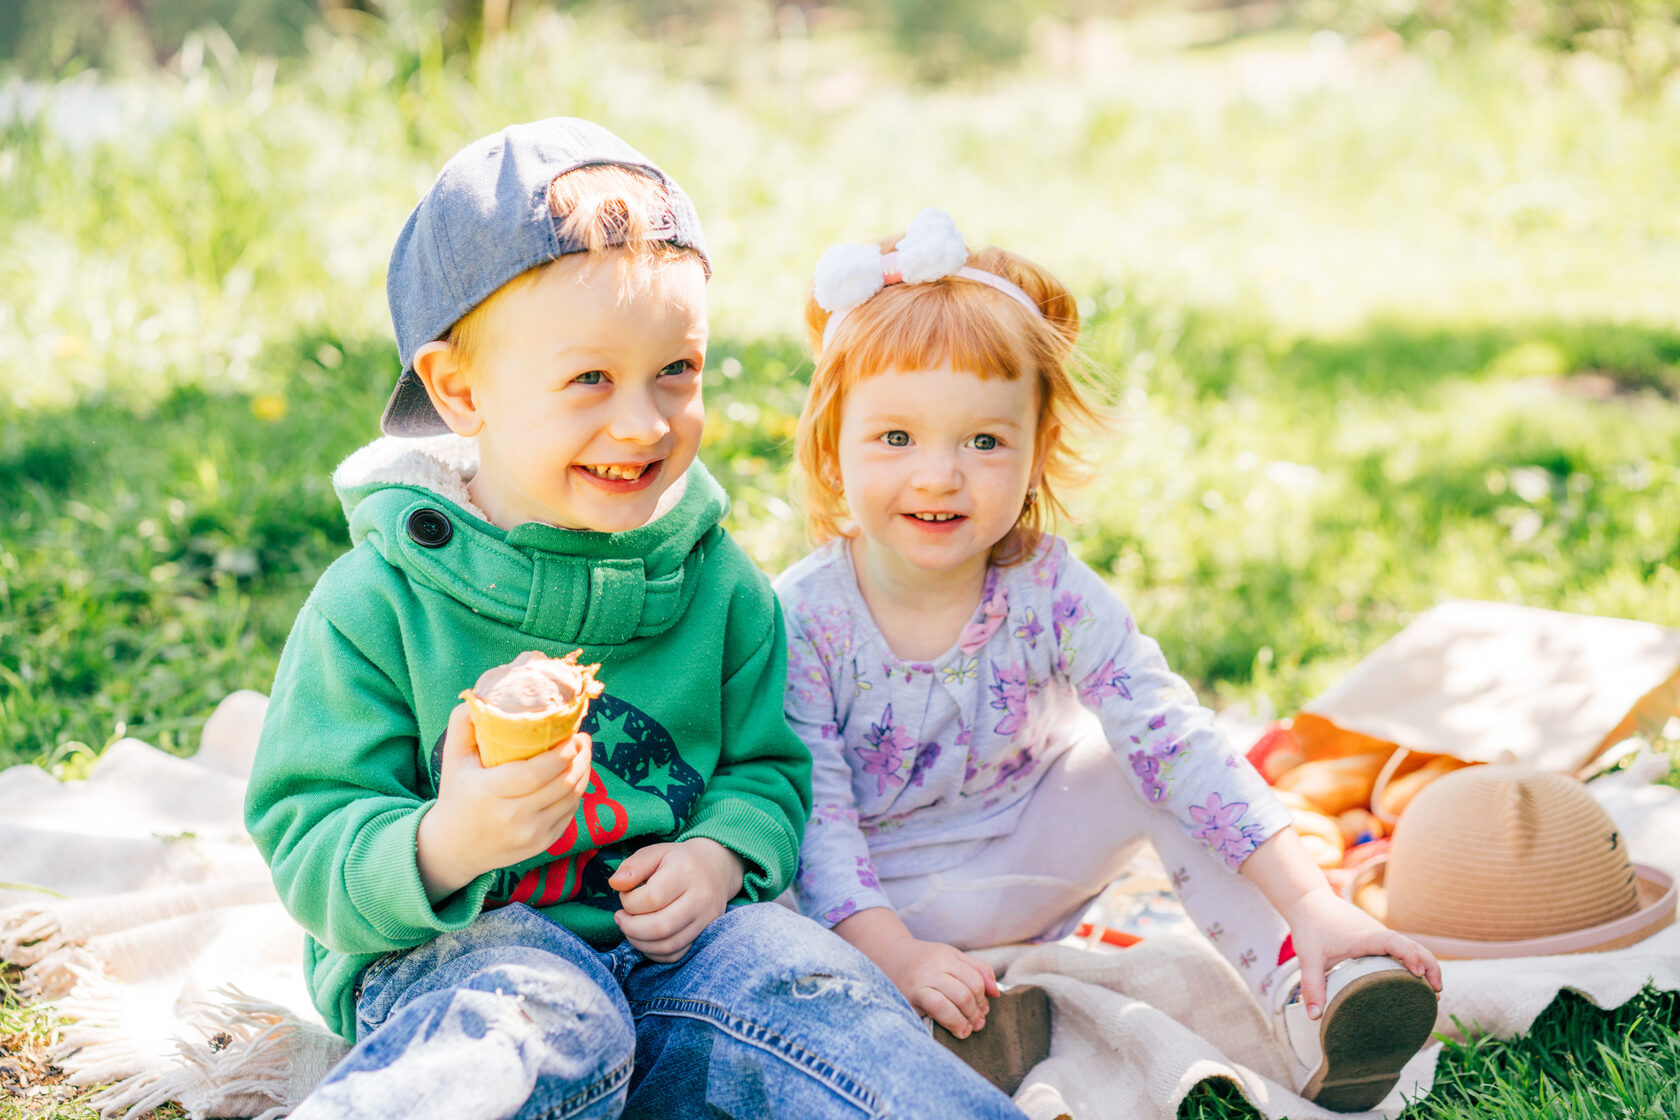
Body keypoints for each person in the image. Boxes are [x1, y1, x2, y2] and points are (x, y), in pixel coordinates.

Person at [245, 121, 1028, 1120]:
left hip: (681, 959)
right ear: (460, 389)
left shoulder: (715, 582)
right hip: (461, 957)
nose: (645, 422)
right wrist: (449, 838)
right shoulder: (378, 603)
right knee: (541, 1018)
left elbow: (769, 768)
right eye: (590, 380)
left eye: (678, 371)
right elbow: (309, 836)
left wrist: (719, 855)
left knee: (808, 979)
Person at [775, 207, 1445, 1112]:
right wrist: (895, 952)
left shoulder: (1048, 588)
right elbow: (815, 817)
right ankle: (945, 1019)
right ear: (833, 443)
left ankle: (1308, 991)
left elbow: (1172, 735)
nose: (939, 475)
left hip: (1018, 866)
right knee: (750, 894)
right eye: (896, 438)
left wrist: (1312, 896)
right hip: (863, 912)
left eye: (983, 441)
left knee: (1149, 758)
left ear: (1037, 449)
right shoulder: (806, 614)